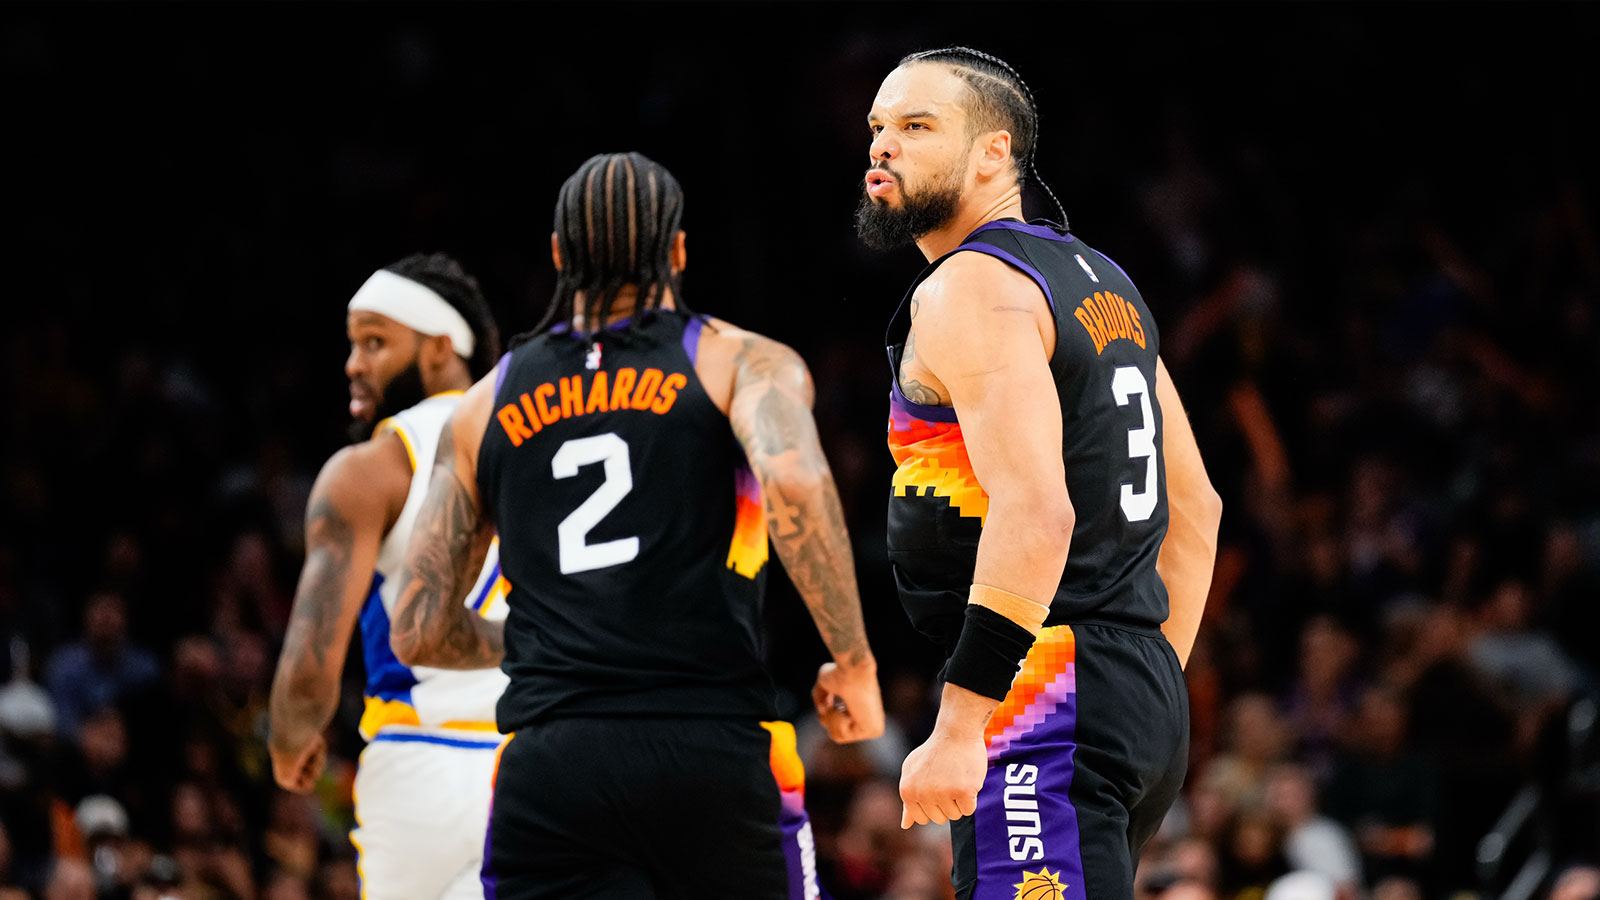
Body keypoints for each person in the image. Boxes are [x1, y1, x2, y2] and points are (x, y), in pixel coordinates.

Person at [388, 151, 885, 900]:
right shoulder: (736, 361)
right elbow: (794, 480)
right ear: (678, 252)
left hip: (551, 769)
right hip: (710, 747)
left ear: (559, 256)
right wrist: (853, 662)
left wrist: (543, 640)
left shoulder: (482, 405)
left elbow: (418, 630)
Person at [856, 47, 1224, 900]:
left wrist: (962, 724)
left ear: (995, 152)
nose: (883, 145)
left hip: (1044, 687)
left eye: (917, 126)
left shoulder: (970, 287)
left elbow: (1034, 513)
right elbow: (1197, 507)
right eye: (877, 127)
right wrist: (1140, 682)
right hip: (1130, 687)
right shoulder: (1106, 283)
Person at [266, 252, 509, 900]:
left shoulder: (371, 468)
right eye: (353, 345)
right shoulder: (541, 439)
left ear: (441, 349)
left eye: (375, 343)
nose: (354, 364)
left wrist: (291, 740)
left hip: (420, 765)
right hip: (542, 758)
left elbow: (310, 665)